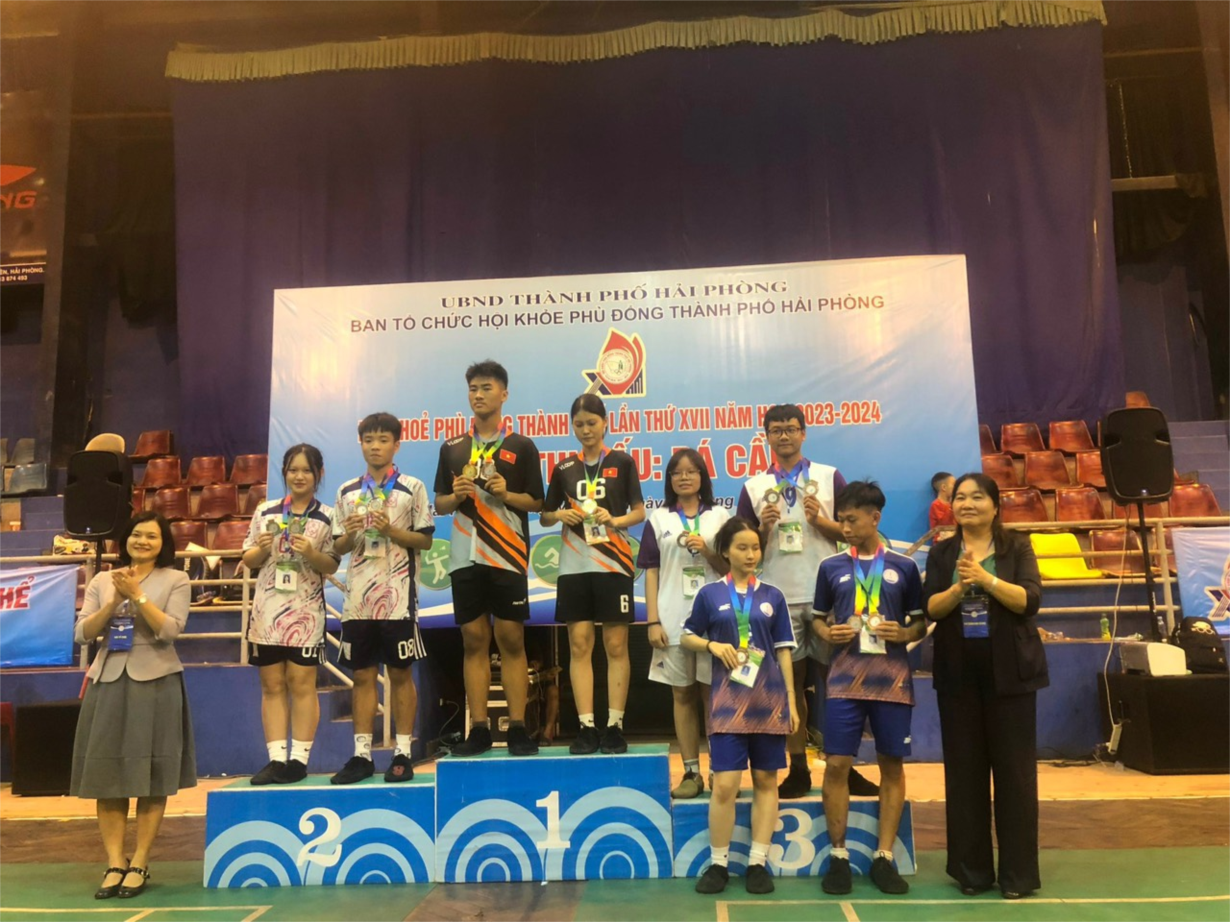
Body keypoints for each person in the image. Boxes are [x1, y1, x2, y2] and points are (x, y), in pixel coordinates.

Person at [736, 403, 876, 799]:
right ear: (766, 436)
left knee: (838, 685)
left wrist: (820, 522)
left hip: (827, 595)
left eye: (791, 428)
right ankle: (798, 768)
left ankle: (843, 766)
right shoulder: (753, 486)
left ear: (803, 433)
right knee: (789, 686)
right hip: (777, 597)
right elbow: (743, 547)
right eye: (776, 429)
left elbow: (853, 533)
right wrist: (763, 529)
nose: (784, 435)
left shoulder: (828, 477)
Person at [923, 472, 1046, 900]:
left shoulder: (1017, 547)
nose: (967, 504)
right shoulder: (942, 553)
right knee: (964, 774)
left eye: (977, 497)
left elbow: (1029, 600)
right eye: (960, 497)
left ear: (995, 506)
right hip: (958, 676)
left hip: (1011, 674)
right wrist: (960, 586)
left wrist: (986, 579)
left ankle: (1018, 875)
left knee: (1015, 776)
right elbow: (931, 607)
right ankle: (972, 872)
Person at [71, 512, 196, 900]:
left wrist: (138, 596)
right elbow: (82, 633)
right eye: (137, 535)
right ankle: (114, 861)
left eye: (152, 537)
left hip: (157, 681)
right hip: (108, 680)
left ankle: (140, 860)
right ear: (125, 539)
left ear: (163, 544)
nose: (142, 541)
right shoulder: (102, 580)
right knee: (106, 773)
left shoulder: (176, 579)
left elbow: (170, 630)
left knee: (151, 775)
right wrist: (114, 601)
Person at [812, 481, 925, 895]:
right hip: (844, 680)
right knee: (837, 765)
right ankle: (838, 856)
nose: (844, 528)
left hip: (892, 681)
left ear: (875, 518)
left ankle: (884, 856)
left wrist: (903, 632)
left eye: (851, 520)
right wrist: (829, 632)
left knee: (891, 766)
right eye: (841, 520)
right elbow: (817, 619)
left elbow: (920, 623)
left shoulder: (904, 567)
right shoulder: (830, 567)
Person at [434, 360, 545, 756]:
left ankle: (518, 728)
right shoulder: (452, 448)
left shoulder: (521, 446)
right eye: (473, 388)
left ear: (504, 394)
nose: (478, 395)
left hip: (507, 553)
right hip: (464, 554)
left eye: (486, 388)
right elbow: (440, 504)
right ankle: (478, 729)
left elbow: (537, 502)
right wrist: (456, 495)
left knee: (511, 638)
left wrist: (505, 494)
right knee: (473, 639)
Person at [682, 517, 797, 895]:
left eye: (755, 547)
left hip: (769, 701)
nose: (750, 554)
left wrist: (791, 701)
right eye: (742, 548)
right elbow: (687, 636)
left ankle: (757, 863)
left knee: (766, 781)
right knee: (725, 785)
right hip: (727, 704)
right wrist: (711, 645)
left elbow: (783, 651)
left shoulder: (774, 596)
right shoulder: (710, 594)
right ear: (725, 552)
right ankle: (718, 865)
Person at [330, 412, 434, 784]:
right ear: (360, 444)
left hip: (398, 598)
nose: (375, 446)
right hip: (357, 599)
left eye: (383, 440)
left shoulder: (412, 487)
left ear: (397, 444)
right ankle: (361, 756)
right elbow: (338, 548)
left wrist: (390, 530)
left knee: (400, 674)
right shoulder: (346, 492)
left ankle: (402, 753)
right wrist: (349, 533)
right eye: (369, 440)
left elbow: (425, 540)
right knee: (362, 675)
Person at [541, 394, 645, 754]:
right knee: (579, 644)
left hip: (614, 564)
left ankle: (614, 725)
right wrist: (559, 515)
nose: (585, 430)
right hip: (574, 567)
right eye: (579, 424)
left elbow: (639, 512)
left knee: (615, 645)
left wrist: (614, 520)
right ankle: (586, 728)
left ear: (605, 423)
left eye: (592, 423)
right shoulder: (563, 468)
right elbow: (545, 515)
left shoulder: (622, 462)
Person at [241, 444, 340, 784]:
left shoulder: (327, 516)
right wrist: (262, 548)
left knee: (301, 683)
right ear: (284, 473)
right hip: (267, 613)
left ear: (319, 474)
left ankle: (299, 760)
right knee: (271, 685)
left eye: (306, 470)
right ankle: (276, 760)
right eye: (293, 470)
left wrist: (311, 552)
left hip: (306, 612)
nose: (299, 476)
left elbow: (331, 565)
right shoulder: (266, 511)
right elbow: (248, 559)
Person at [637, 448, 730, 797]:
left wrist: (707, 550)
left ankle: (720, 769)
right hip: (673, 618)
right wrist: (652, 620)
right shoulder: (659, 519)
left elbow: (730, 568)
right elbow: (651, 571)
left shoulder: (719, 516)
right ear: (669, 480)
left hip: (716, 621)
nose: (684, 477)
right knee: (682, 694)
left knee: (713, 695)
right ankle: (691, 772)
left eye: (691, 471)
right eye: (677, 472)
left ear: (702, 477)